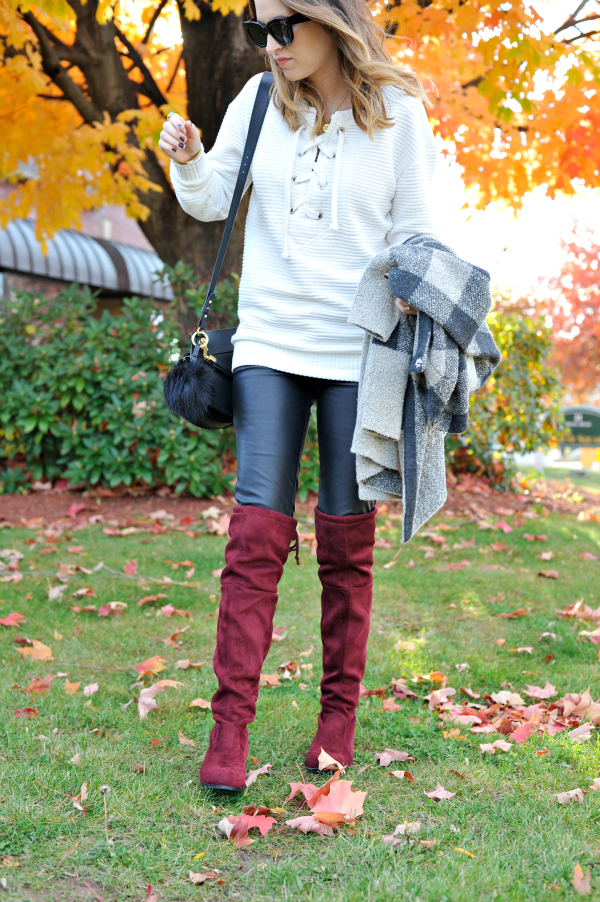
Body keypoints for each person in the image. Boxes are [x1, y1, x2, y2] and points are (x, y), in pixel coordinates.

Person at [158, 0, 440, 791]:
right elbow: (212, 198)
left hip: (360, 353)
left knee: (346, 544)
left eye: (286, 26)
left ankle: (336, 721)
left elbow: (420, 234)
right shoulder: (257, 104)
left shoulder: (399, 114)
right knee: (255, 536)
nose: (272, 45)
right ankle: (229, 731)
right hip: (270, 345)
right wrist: (186, 157)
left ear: (334, 21)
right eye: (259, 30)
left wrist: (415, 295)